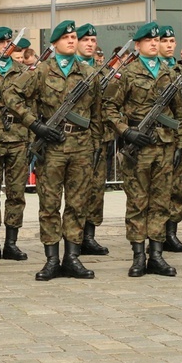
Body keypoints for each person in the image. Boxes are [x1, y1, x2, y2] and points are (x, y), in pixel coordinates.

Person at [6, 20, 103, 281]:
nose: (72, 40)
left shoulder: (87, 72)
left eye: (74, 36)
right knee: (49, 205)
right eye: (66, 37)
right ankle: (51, 259)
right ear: (55, 43)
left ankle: (71, 257)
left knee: (77, 203)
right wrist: (35, 125)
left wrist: (95, 145)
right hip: (52, 147)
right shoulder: (40, 71)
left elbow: (96, 114)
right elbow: (11, 95)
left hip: (81, 146)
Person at [103, 21, 182, 277]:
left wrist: (181, 144)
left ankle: (157, 255)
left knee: (161, 202)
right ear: (137, 45)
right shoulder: (127, 74)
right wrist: (126, 131)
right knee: (138, 203)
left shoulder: (170, 73)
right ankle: (138, 255)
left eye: (157, 40)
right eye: (149, 40)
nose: (154, 43)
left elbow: (179, 113)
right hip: (137, 148)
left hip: (164, 146)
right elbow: (109, 108)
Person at [0, 26, 30, 263]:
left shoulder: (22, 71)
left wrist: (31, 139)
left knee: (16, 192)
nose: (5, 47)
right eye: (1, 43)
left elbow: (33, 106)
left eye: (8, 43)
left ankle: (11, 243)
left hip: (18, 138)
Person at [73, 23, 109, 256]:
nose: (89, 44)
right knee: (76, 191)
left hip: (100, 138)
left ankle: (89, 235)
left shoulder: (104, 73)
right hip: (75, 139)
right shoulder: (71, 70)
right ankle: (73, 238)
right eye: (85, 40)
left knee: (96, 189)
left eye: (93, 41)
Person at [158, 25, 182, 253]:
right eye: (165, 42)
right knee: (157, 189)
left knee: (176, 188)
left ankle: (172, 233)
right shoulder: (153, 70)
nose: (169, 46)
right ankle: (156, 233)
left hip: (180, 135)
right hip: (158, 138)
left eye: (172, 42)